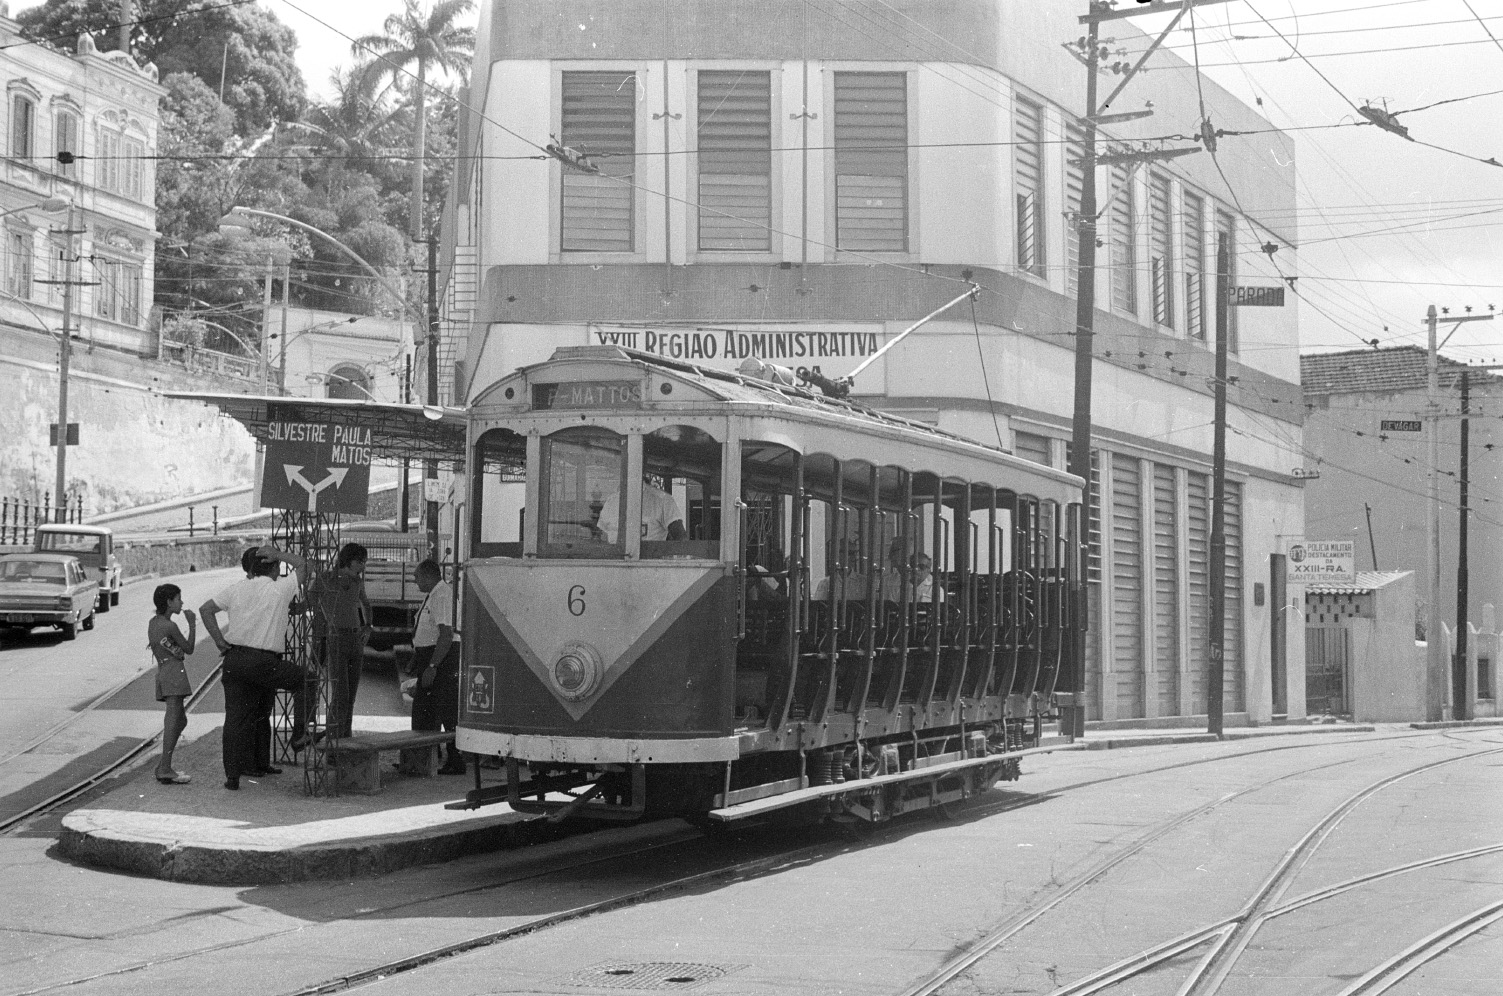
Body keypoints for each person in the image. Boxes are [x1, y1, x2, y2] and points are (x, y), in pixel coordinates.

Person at [200, 545, 311, 790]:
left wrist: (220, 641)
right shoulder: (279, 588)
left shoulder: (237, 589)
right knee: (306, 680)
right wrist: (280, 554)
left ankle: (233, 775)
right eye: (278, 567)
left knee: (236, 719)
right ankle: (299, 734)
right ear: (273, 568)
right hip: (264, 661)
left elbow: (206, 609)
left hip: (236, 660)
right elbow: (305, 564)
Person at [409, 559, 466, 774]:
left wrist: (433, 665)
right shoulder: (433, 595)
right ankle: (422, 758)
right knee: (426, 709)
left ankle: (454, 760)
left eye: (417, 576)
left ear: (428, 575)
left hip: (441, 658)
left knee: (446, 708)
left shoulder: (442, 595)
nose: (415, 581)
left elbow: (446, 634)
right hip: (431, 656)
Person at [309, 542, 371, 739]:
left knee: (350, 695)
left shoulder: (357, 583)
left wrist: (368, 625)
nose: (363, 566)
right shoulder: (325, 579)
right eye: (360, 562)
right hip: (336, 637)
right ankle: (334, 742)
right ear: (348, 560)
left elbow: (366, 604)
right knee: (340, 695)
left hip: (355, 638)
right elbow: (309, 602)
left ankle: (345, 737)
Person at [148, 583, 196, 785]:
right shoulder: (170, 626)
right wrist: (192, 624)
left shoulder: (154, 622)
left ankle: (163, 764)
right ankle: (165, 767)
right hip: (174, 673)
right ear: (169, 602)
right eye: (178, 598)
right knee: (173, 720)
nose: (181, 602)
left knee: (180, 720)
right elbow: (189, 648)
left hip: (164, 671)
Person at [594, 478, 686, 543]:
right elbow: (603, 536)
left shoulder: (662, 500)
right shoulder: (611, 501)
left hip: (649, 566)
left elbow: (680, 538)